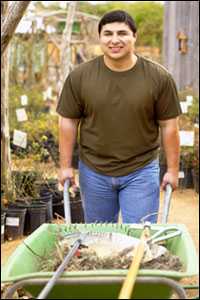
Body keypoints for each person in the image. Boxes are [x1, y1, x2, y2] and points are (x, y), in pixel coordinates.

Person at [56, 10, 182, 223]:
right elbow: (68, 121)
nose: (115, 40)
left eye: (122, 33)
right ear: (100, 38)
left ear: (134, 36)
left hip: (140, 171)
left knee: (140, 237)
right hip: (94, 171)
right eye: (108, 34)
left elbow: (169, 125)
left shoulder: (158, 78)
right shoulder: (80, 77)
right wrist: (65, 166)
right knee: (100, 239)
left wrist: (172, 169)